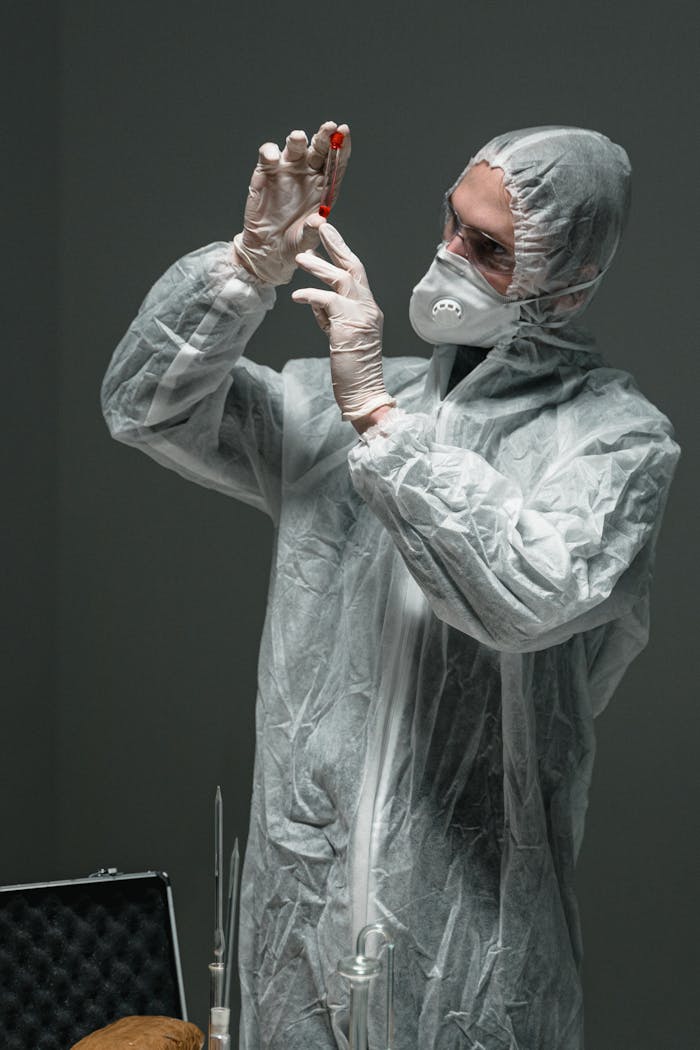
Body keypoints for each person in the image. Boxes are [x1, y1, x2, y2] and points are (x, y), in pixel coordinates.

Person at [101, 121, 679, 1050]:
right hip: (305, 904)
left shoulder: (613, 441)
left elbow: (524, 598)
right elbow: (144, 405)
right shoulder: (338, 409)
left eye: (489, 248)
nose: (449, 253)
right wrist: (251, 267)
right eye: (452, 224)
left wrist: (374, 412)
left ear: (567, 281)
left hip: (475, 942)